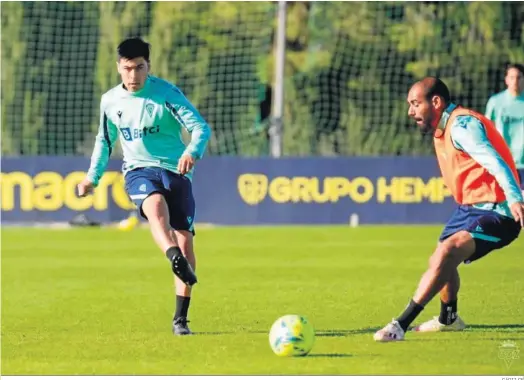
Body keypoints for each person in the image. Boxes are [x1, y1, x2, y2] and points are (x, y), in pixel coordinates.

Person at [77, 37, 212, 335]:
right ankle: (171, 255)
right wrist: (92, 177)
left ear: (148, 66)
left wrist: (192, 151)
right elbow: (105, 141)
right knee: (154, 208)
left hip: (176, 171)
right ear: (118, 68)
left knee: (186, 240)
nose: (133, 76)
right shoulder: (110, 101)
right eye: (127, 69)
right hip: (138, 170)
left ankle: (180, 319)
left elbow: (201, 127)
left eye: (139, 68)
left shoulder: (166, 94)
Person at [374, 77, 524, 342]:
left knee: (447, 252)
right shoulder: (443, 128)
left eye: (415, 104)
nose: (410, 111)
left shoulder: (462, 125)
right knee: (440, 261)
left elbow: (495, 161)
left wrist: (514, 198)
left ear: (436, 102)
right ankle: (449, 319)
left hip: (499, 210)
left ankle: (400, 325)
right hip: (470, 208)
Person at [485, 63, 524, 184]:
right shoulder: (495, 102)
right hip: (503, 164)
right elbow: (487, 130)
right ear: (506, 80)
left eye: (519, 77)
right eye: (512, 77)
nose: (515, 81)